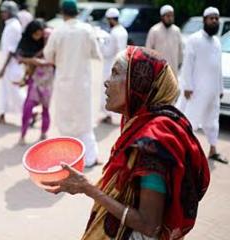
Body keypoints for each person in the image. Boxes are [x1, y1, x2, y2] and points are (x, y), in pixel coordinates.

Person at [42, 46, 210, 240]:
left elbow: (149, 225)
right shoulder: (137, 124)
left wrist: (89, 189)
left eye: (115, 73)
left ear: (139, 84)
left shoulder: (153, 142)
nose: (106, 82)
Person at [44, 0, 101, 167]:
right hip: (82, 84)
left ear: (63, 13)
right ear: (77, 12)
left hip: (64, 84)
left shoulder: (58, 32)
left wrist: (60, 60)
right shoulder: (87, 30)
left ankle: (69, 160)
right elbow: (95, 52)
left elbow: (48, 56)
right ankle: (89, 158)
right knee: (84, 120)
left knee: (65, 121)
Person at [177, 7, 227, 164]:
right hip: (196, 91)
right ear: (205, 20)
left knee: (212, 122)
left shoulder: (217, 42)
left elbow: (218, 67)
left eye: (216, 18)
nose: (214, 21)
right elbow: (187, 65)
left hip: (213, 92)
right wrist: (187, 86)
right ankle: (183, 153)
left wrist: (219, 88)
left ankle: (213, 150)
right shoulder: (194, 39)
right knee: (190, 121)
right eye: (211, 18)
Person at [15, 20, 54, 145]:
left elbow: (56, 62)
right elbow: (21, 59)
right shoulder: (29, 44)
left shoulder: (53, 46)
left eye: (44, 36)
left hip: (48, 82)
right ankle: (22, 135)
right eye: (37, 34)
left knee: (46, 109)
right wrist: (31, 63)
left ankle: (43, 133)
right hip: (35, 81)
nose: (43, 38)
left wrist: (36, 61)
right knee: (27, 107)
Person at [0, 1, 26, 124]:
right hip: (8, 64)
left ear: (11, 12)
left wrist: (3, 68)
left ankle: (31, 112)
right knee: (5, 91)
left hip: (12, 65)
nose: (2, 14)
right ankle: (2, 115)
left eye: (5, 11)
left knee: (15, 91)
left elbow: (11, 50)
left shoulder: (14, 26)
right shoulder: (9, 25)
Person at [98, 7, 128, 124]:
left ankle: (109, 115)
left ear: (110, 19)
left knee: (107, 90)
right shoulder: (123, 31)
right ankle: (119, 116)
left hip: (111, 65)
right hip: (122, 64)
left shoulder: (114, 33)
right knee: (119, 90)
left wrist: (100, 42)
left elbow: (107, 52)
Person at [146, 5, 183, 76]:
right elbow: (148, 50)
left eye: (172, 16)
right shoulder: (154, 30)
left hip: (173, 69)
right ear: (162, 17)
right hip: (158, 69)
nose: (170, 18)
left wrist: (180, 62)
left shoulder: (176, 30)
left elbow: (180, 50)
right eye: (168, 16)